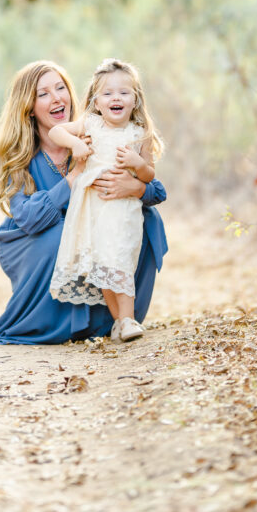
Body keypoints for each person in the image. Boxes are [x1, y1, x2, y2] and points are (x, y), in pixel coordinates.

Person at [0, 60, 167, 345]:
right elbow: (28, 218)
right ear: (29, 107)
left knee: (145, 219)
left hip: (103, 234)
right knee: (64, 234)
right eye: (43, 93)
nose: (57, 97)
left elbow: (157, 190)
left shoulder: (100, 131)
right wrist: (73, 178)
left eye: (61, 88)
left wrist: (134, 187)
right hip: (37, 243)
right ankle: (58, 321)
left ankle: (119, 317)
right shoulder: (21, 157)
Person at [49, 58, 163, 343]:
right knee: (102, 267)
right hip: (92, 209)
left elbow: (149, 176)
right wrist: (75, 144)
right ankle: (120, 322)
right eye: (108, 93)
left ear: (135, 100)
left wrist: (138, 163)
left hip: (123, 210)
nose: (116, 98)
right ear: (96, 101)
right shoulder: (91, 124)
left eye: (124, 93)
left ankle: (127, 319)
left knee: (120, 260)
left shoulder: (140, 134)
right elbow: (56, 131)